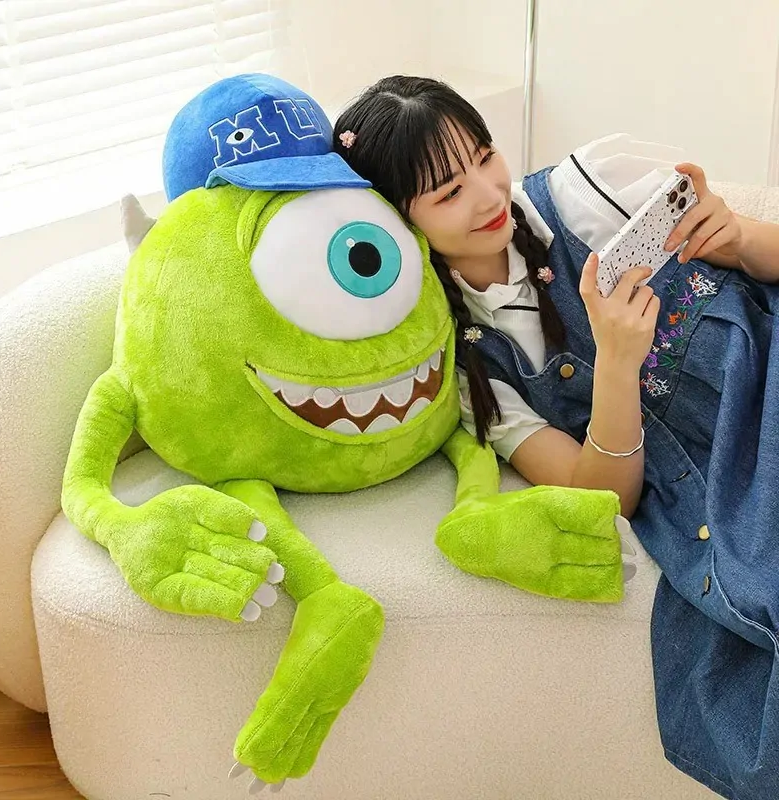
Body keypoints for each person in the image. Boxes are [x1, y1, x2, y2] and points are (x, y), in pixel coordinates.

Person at [333, 74, 779, 800]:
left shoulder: (584, 190)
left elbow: (755, 254)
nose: (488, 194)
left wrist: (740, 237)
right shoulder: (465, 367)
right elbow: (601, 498)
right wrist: (618, 369)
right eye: (448, 192)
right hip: (720, 487)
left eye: (485, 155)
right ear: (397, 221)